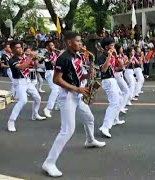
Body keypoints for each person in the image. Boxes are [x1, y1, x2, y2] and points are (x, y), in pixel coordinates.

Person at [42, 31, 105, 177]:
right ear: (69, 42)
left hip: (78, 93)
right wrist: (77, 88)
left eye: (81, 41)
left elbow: (77, 74)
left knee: (89, 118)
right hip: (67, 95)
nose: (81, 44)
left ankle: (90, 140)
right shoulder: (63, 58)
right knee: (67, 130)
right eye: (78, 41)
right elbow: (56, 80)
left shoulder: (77, 56)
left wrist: (89, 74)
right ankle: (49, 163)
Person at [7, 41, 46, 132]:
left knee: (38, 98)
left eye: (21, 47)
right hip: (19, 82)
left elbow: (36, 67)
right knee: (23, 100)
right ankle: (11, 121)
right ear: (13, 49)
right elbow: (21, 67)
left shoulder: (25, 56)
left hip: (27, 80)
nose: (20, 49)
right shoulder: (12, 60)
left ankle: (35, 114)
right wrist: (30, 57)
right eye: (17, 48)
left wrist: (35, 59)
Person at [98, 37, 123, 138]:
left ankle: (115, 119)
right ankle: (105, 126)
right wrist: (109, 57)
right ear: (106, 47)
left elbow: (121, 67)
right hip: (107, 80)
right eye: (112, 45)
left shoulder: (113, 56)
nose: (113, 47)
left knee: (120, 97)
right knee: (114, 103)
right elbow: (103, 70)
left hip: (113, 79)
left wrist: (116, 56)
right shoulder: (102, 57)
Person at [43, 41, 59, 118]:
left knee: (61, 89)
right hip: (50, 73)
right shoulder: (46, 54)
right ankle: (48, 108)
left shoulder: (54, 53)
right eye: (51, 45)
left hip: (56, 72)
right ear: (47, 47)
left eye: (53, 44)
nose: (53, 46)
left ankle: (58, 105)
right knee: (55, 89)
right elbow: (53, 63)